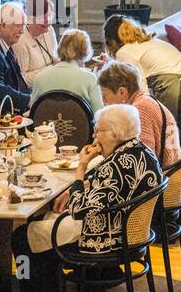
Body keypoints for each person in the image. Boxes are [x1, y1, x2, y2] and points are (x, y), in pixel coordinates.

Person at [14, 104, 162, 257]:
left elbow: (77, 210)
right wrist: (80, 187)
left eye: (98, 131)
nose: (93, 136)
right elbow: (112, 187)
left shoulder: (114, 165)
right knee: (41, 219)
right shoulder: (144, 152)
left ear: (115, 134)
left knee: (22, 236)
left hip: (105, 237)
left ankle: (37, 280)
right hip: (128, 230)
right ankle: (54, 280)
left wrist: (81, 168)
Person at [103, 15, 181, 150]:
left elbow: (140, 91)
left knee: (166, 147)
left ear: (111, 42)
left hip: (177, 92)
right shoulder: (153, 42)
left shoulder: (125, 52)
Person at [98, 60, 181, 165]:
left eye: (104, 95)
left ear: (122, 92)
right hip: (169, 169)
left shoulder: (139, 111)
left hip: (164, 175)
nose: (104, 101)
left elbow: (143, 160)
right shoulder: (145, 100)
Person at [31, 29, 104, 113]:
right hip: (81, 125)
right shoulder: (89, 79)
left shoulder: (39, 78)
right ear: (85, 51)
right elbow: (98, 114)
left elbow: (33, 111)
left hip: (47, 125)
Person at [12, 0, 59, 85]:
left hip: (53, 82)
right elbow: (22, 79)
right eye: (42, 17)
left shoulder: (49, 30)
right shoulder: (20, 41)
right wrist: (51, 69)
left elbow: (55, 57)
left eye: (49, 16)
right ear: (29, 19)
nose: (48, 21)